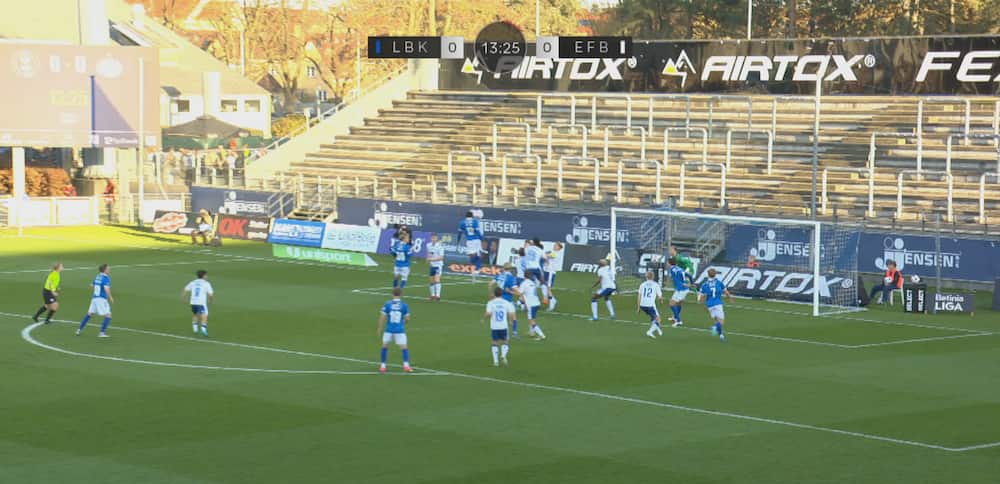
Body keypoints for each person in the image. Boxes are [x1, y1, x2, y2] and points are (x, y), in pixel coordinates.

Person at [377, 288, 413, 373]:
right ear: (401, 294)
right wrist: (403, 322)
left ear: (392, 294)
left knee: (385, 346)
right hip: (399, 330)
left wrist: (379, 328)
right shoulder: (404, 305)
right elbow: (407, 318)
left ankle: (383, 366)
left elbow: (382, 317)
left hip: (388, 329)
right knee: (404, 348)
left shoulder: (387, 304)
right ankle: (406, 366)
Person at [77, 264, 113, 338]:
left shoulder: (98, 276)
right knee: (108, 315)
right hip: (101, 299)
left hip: (94, 298)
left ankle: (79, 329)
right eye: (108, 268)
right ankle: (102, 333)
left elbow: (91, 285)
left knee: (89, 314)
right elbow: (106, 289)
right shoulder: (105, 278)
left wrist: (96, 292)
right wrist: (110, 297)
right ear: (105, 270)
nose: (109, 269)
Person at [698, 268, 733, 342]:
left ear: (708, 275)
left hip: (709, 305)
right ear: (715, 274)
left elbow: (701, 297)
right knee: (721, 322)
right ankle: (714, 328)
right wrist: (730, 298)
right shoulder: (719, 282)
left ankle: (720, 335)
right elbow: (726, 292)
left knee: (716, 320)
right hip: (717, 304)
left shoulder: (704, 284)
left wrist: (702, 304)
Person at [484, 286, 515, 366]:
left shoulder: (490, 303)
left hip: (494, 326)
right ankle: (503, 355)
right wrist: (511, 321)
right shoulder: (506, 302)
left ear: (494, 294)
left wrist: (484, 319)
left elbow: (488, 313)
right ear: (502, 294)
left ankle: (496, 362)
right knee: (505, 341)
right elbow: (511, 313)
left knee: (494, 342)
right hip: (503, 325)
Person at [488, 263, 520, 337]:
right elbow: (518, 293)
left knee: (501, 318)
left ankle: (502, 334)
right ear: (510, 269)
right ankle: (514, 333)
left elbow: (490, 284)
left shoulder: (499, 275)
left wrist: (491, 294)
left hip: (498, 299)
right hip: (507, 300)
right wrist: (511, 292)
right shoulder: (511, 278)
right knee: (513, 317)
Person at [183, 270, 214, 337]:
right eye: (206, 275)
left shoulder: (193, 282)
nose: (207, 276)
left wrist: (183, 298)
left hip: (193, 302)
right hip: (201, 302)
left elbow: (185, 289)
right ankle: (203, 329)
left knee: (195, 314)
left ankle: (195, 329)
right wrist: (210, 300)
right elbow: (211, 294)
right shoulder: (206, 283)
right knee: (204, 315)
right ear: (203, 276)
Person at [667, 257, 695, 327]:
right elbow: (689, 276)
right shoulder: (679, 268)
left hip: (681, 289)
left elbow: (673, 278)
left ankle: (678, 320)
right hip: (684, 289)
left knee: (672, 304)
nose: (667, 264)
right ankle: (675, 317)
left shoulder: (672, 269)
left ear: (670, 263)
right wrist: (692, 283)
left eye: (667, 262)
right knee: (678, 303)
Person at [518, 276, 547, 340]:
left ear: (524, 276)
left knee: (531, 320)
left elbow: (519, 293)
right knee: (531, 318)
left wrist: (509, 291)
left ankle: (542, 335)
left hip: (531, 305)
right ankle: (532, 332)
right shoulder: (533, 282)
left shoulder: (524, 283)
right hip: (536, 303)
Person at [457, 211, 484, 280]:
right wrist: (481, 238)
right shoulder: (475, 221)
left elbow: (459, 233)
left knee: (472, 255)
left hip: (469, 241)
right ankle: (477, 269)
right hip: (476, 239)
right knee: (478, 254)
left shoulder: (462, 222)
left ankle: (474, 268)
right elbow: (477, 231)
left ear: (466, 216)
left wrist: (458, 241)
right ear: (472, 216)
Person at [637, 271, 664, 339]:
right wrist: (661, 300)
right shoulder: (656, 284)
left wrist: (638, 307)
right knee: (658, 319)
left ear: (646, 277)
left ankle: (658, 329)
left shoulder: (642, 284)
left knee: (653, 317)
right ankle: (650, 331)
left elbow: (639, 296)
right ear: (653, 277)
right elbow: (660, 296)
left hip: (642, 305)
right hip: (650, 305)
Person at [543, 242, 563, 311]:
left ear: (558, 248)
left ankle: (552, 304)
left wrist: (546, 255)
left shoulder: (556, 253)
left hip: (550, 272)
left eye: (555, 245)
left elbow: (546, 256)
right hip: (547, 271)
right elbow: (546, 258)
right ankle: (553, 300)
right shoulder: (553, 252)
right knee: (545, 287)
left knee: (548, 288)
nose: (554, 246)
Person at [426, 234, 445, 301]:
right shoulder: (428, 245)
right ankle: (432, 295)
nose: (433, 239)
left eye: (434, 238)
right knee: (431, 281)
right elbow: (429, 253)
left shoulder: (440, 246)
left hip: (438, 265)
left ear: (437, 238)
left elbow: (441, 257)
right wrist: (428, 259)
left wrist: (431, 260)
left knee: (437, 280)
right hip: (432, 265)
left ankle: (438, 296)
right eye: (432, 238)